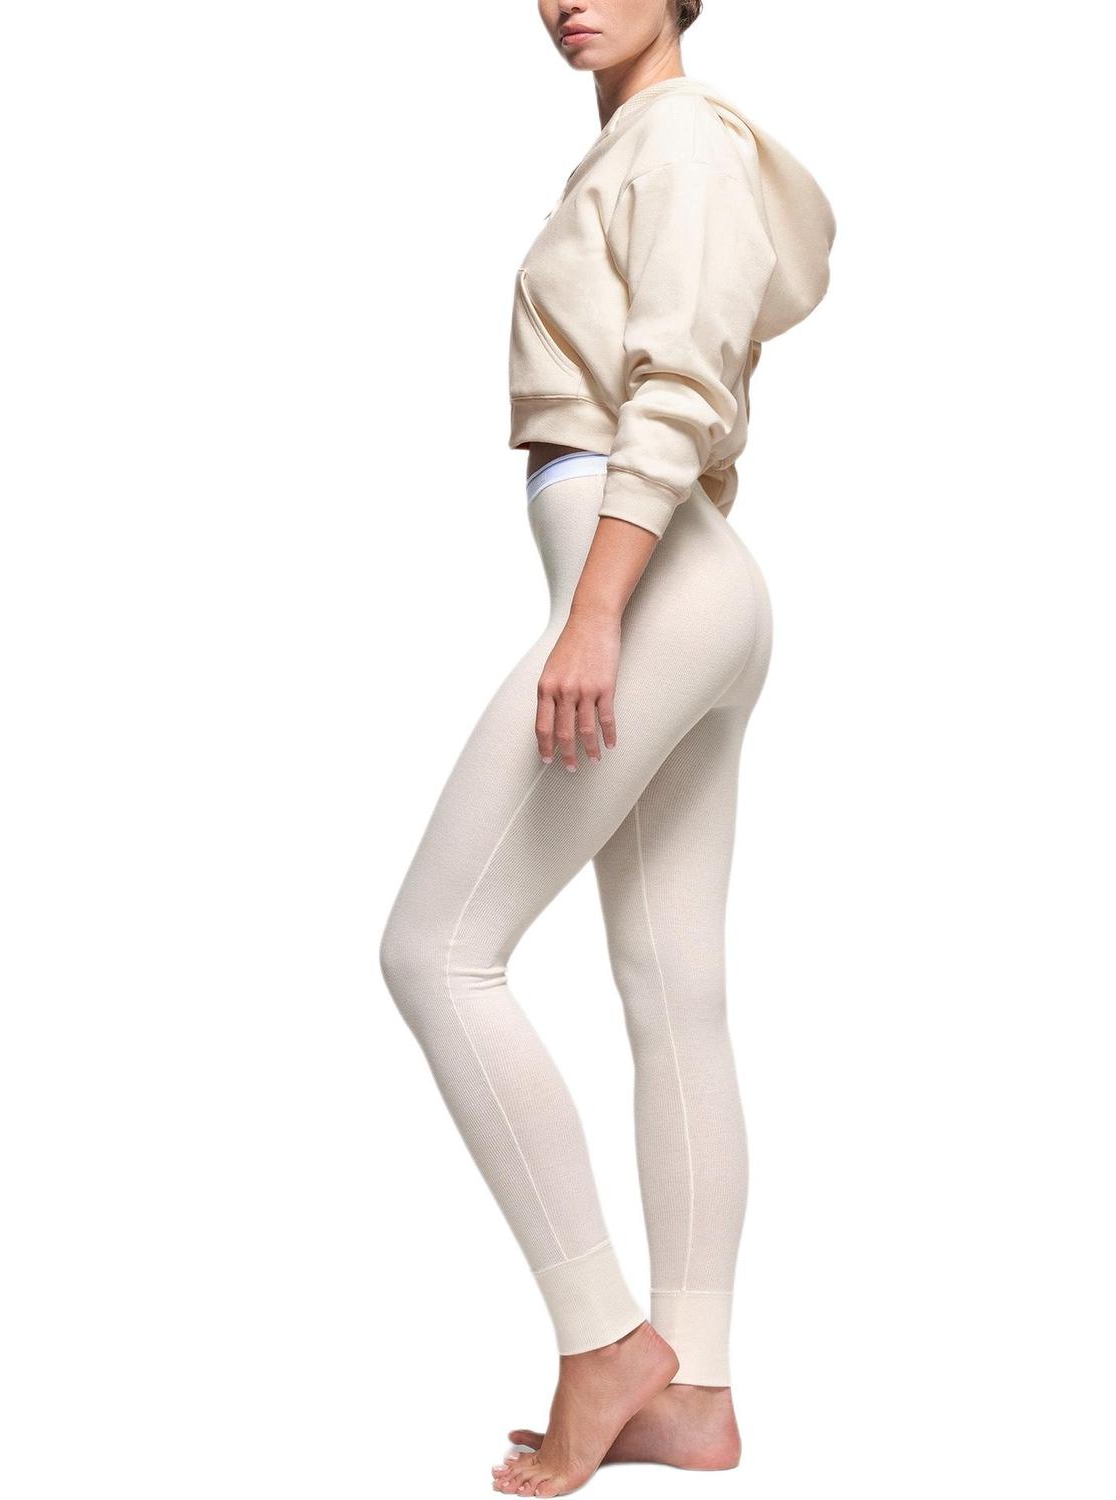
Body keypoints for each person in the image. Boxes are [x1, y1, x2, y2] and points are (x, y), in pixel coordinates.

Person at [378, 3, 835, 1493]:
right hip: (687, 586)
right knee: (673, 992)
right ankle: (692, 1394)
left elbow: (682, 391)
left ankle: (601, 1344)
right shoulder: (643, 147)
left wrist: (594, 617)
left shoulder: (683, 140)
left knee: (436, 953)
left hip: (647, 585)